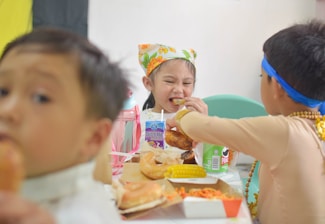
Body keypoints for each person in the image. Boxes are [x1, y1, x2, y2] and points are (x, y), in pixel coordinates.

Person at [166, 20, 325, 224]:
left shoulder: (285, 131)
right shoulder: (317, 126)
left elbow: (204, 128)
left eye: (262, 75)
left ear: (275, 86)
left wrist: (181, 116)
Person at [0, 28, 129, 223]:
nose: (6, 110)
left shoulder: (81, 216)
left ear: (93, 138)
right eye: (3, 92)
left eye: (40, 97)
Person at [138, 43, 208, 161]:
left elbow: (207, 159)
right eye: (170, 81)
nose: (179, 90)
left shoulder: (194, 119)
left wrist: (204, 126)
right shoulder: (138, 121)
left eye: (186, 83)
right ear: (149, 83)